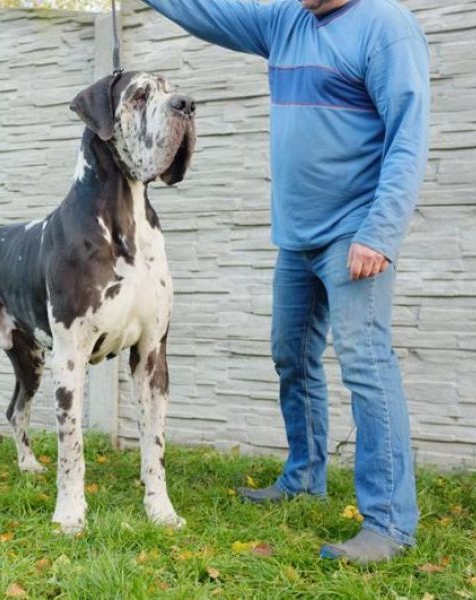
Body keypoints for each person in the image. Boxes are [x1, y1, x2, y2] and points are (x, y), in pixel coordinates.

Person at [139, 0, 430, 564]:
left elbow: (408, 136)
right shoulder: (285, 22)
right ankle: (304, 475)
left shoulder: (386, 28)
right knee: (290, 356)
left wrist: (381, 232)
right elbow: (206, 11)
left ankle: (390, 523)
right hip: (296, 237)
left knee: (365, 364)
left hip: (355, 233)